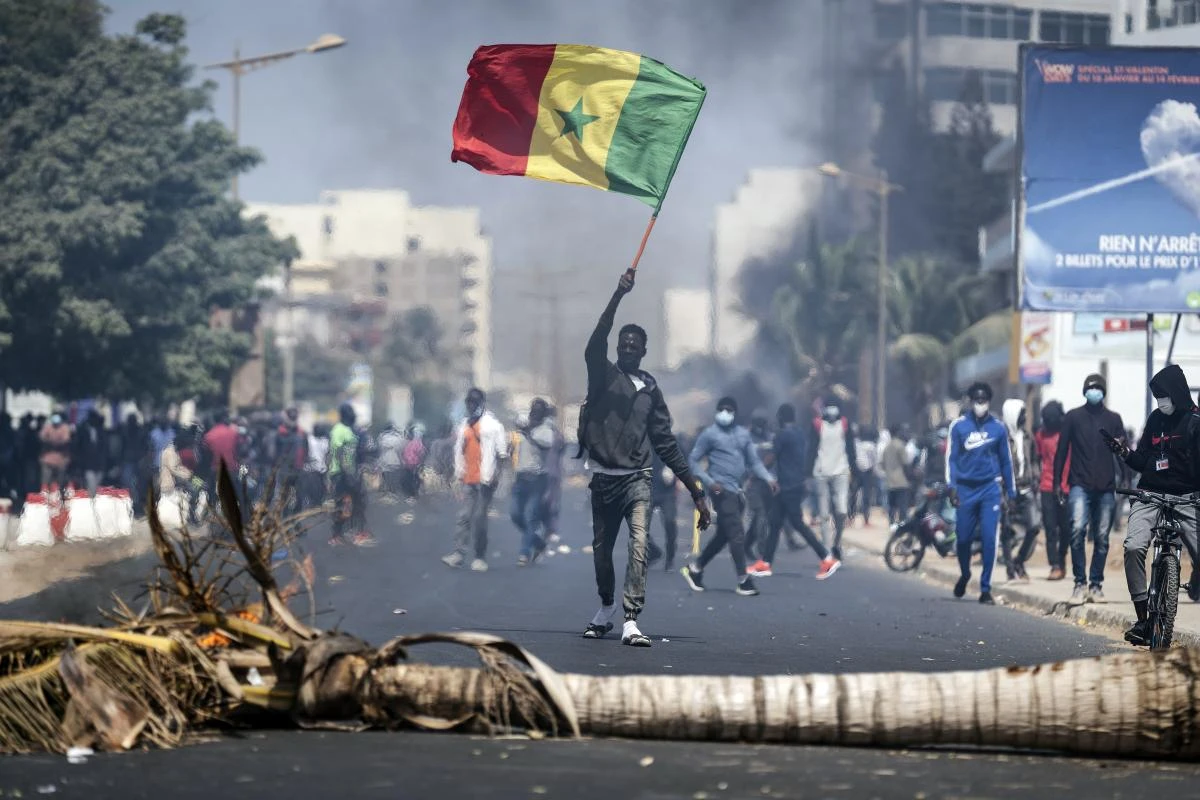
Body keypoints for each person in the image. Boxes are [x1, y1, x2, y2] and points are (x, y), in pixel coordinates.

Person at [578, 269, 709, 647]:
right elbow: (593, 345)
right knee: (602, 553)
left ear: (643, 351)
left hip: (638, 478)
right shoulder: (602, 376)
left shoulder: (651, 389)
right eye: (624, 345)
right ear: (617, 348)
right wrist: (618, 294)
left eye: (635, 346)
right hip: (604, 478)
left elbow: (667, 443)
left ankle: (631, 618)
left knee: (639, 546)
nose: (629, 350)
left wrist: (696, 492)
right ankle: (605, 608)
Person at [1104, 364, 1200, 645]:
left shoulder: (1195, 423)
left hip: (1188, 498)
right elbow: (1144, 461)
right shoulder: (1155, 419)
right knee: (1133, 546)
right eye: (1157, 396)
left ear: (1177, 393)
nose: (1161, 402)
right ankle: (1144, 620)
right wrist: (1123, 453)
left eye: (1164, 395)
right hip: (1150, 495)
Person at [682, 396, 778, 597]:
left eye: (729, 410)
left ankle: (696, 569)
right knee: (736, 533)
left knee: (724, 535)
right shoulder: (709, 435)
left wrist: (769, 478)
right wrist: (709, 482)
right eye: (722, 409)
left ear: (734, 413)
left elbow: (754, 462)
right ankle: (743, 580)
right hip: (721, 491)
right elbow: (693, 461)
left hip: (738, 490)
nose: (725, 413)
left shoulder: (743, 435)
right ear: (717, 412)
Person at [1054, 373, 1126, 602]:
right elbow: (1061, 451)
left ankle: (1096, 584)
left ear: (1103, 391)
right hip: (1079, 485)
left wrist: (1125, 477)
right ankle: (1079, 583)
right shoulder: (1073, 417)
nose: (1094, 390)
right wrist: (1058, 482)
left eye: (1098, 387)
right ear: (1084, 391)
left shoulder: (1114, 419)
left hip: (1106, 487)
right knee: (1077, 532)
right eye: (1090, 387)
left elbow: (1122, 453)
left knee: (1102, 537)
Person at [749, 403, 840, 580]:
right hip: (795, 484)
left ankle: (826, 558)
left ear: (781, 418)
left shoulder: (782, 435)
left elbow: (771, 458)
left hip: (787, 486)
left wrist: (756, 473)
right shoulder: (800, 433)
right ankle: (765, 563)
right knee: (775, 523)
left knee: (797, 523)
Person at [947, 382, 1015, 605]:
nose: (980, 404)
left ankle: (985, 588)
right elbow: (952, 459)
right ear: (970, 400)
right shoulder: (958, 427)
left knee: (989, 538)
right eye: (976, 400)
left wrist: (1011, 492)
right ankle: (965, 573)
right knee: (964, 538)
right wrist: (952, 487)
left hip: (989, 489)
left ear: (989, 401)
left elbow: (1006, 461)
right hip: (966, 490)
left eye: (984, 400)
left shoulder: (998, 428)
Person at [442, 388, 508, 572]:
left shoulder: (493, 425)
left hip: (486, 479)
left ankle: (480, 557)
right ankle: (458, 554)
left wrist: (497, 476)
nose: (471, 405)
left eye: (474, 402)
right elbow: (458, 451)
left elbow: (502, 454)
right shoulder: (464, 425)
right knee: (463, 517)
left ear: (481, 403)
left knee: (479, 518)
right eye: (469, 402)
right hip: (468, 478)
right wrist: (456, 474)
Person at [1000, 398, 1042, 582]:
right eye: (1021, 414)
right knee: (1007, 531)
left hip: (1027, 489)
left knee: (1034, 527)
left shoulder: (1028, 436)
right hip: (1007, 490)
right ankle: (1010, 568)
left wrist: (1036, 475)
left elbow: (1033, 459)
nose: (1024, 417)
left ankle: (1019, 560)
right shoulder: (1000, 438)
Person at [510, 398, 555, 565]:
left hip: (537, 478)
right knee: (515, 514)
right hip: (521, 477)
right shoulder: (524, 429)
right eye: (533, 411)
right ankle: (539, 543)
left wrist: (528, 433)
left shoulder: (546, 430)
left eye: (538, 411)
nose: (534, 414)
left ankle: (524, 553)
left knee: (531, 517)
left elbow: (545, 445)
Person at [808, 401, 856, 560]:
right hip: (820, 472)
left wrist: (854, 470)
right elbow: (811, 449)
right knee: (823, 514)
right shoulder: (817, 425)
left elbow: (850, 448)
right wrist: (807, 473)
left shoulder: (844, 424)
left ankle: (837, 543)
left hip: (841, 471)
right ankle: (827, 550)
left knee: (842, 511)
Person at [328, 403, 374, 547]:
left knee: (359, 502)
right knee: (344, 504)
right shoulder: (338, 430)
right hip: (342, 473)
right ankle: (336, 535)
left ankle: (357, 532)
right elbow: (340, 452)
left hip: (351, 472)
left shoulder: (349, 430)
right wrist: (348, 474)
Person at [1034, 401, 1070, 580]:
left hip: (1067, 486)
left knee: (1066, 528)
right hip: (1046, 486)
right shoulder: (1041, 434)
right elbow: (1039, 458)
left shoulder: (1067, 432)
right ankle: (1054, 564)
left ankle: (1062, 559)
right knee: (1050, 528)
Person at [881, 425, 911, 524]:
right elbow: (906, 464)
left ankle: (892, 524)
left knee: (892, 506)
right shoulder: (900, 446)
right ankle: (902, 524)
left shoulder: (887, 447)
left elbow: (883, 464)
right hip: (901, 481)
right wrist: (910, 477)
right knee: (903, 507)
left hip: (890, 481)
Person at [38, 412, 72, 488]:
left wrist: (52, 443)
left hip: (61, 459)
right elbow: (41, 438)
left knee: (60, 482)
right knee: (45, 482)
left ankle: (59, 498)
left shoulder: (65, 428)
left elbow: (65, 441)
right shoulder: (47, 427)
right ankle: (45, 497)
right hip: (47, 459)